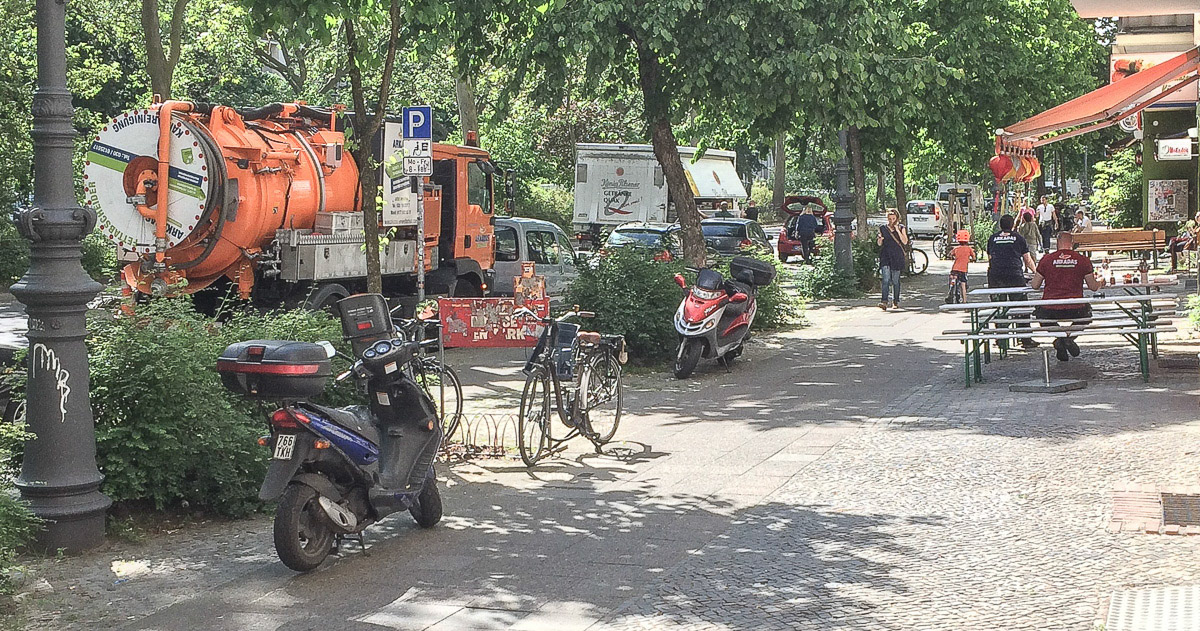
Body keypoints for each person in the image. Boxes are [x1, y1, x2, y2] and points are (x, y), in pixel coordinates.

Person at [1031, 231, 1105, 361]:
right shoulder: (1082, 260)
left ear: (1057, 243)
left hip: (1050, 309)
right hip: (1076, 308)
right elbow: (1093, 287)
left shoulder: (1046, 260)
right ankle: (1067, 339)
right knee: (1087, 315)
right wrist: (1101, 282)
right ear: (1072, 243)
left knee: (1041, 315)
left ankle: (1061, 339)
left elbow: (1035, 285)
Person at [987, 214, 1038, 349]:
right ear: (1012, 225)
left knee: (999, 307)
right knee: (1021, 307)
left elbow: (990, 257)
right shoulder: (1018, 238)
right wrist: (1036, 273)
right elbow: (1027, 259)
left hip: (996, 276)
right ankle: (1025, 339)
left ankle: (1001, 338)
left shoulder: (992, 238)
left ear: (1000, 225)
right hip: (1014, 275)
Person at [876, 209, 908, 310]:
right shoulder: (883, 228)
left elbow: (905, 241)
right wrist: (880, 239)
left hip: (897, 256)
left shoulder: (901, 228)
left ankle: (895, 301)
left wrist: (898, 230)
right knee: (885, 279)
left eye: (893, 218)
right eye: (889, 219)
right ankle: (884, 301)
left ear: (897, 218)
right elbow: (879, 244)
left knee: (895, 280)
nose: (891, 221)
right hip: (886, 255)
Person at [950, 229, 976, 302]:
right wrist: (972, 259)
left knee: (953, 279)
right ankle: (964, 301)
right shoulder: (969, 249)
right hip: (963, 270)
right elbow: (974, 257)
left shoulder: (956, 249)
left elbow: (951, 254)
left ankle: (951, 291)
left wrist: (952, 256)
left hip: (954, 269)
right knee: (963, 285)